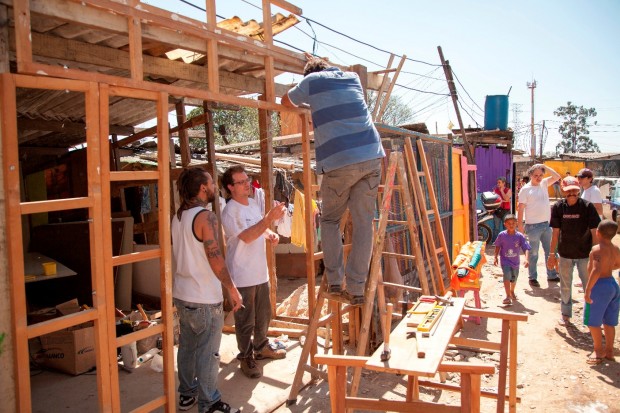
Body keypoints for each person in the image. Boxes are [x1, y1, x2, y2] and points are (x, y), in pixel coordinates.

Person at [282, 55, 385, 305]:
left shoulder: (311, 81)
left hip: (340, 160)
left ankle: (336, 283)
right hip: (372, 155)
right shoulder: (352, 77)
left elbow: (285, 101)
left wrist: (306, 110)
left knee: (329, 221)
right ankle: (357, 289)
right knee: (363, 224)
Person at [171, 167, 242, 413]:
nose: (215, 187)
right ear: (203, 188)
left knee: (188, 347)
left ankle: (187, 394)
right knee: (208, 352)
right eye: (212, 183)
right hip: (203, 297)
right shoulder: (205, 217)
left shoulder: (178, 216)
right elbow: (215, 258)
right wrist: (232, 288)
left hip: (182, 294)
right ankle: (209, 402)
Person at [221, 165, 287, 379]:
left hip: (260, 272)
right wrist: (268, 219)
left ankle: (261, 347)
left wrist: (270, 234)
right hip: (242, 275)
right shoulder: (229, 211)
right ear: (230, 187)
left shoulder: (250, 204)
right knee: (245, 319)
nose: (247, 184)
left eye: (247, 179)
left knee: (264, 315)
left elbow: (258, 227)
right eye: (241, 182)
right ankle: (245, 356)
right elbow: (247, 236)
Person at [548, 176, 601, 325]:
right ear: (564, 192)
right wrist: (552, 254)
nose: (572, 194)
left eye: (574, 191)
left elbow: (594, 231)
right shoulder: (558, 207)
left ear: (578, 191)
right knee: (565, 285)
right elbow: (555, 233)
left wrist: (595, 254)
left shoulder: (587, 207)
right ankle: (566, 315)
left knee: (589, 285)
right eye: (568, 191)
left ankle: (592, 317)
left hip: (585, 254)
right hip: (565, 254)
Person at [517, 164, 561, 287]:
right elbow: (520, 210)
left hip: (547, 225)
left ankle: (552, 275)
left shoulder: (544, 183)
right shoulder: (525, 190)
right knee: (533, 254)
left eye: (541, 175)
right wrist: (520, 229)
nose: (538, 178)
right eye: (536, 175)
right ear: (530, 175)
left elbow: (557, 176)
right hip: (532, 227)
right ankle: (532, 277)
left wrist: (545, 167)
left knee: (550, 251)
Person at [584, 219, 620, 365]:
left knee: (593, 322)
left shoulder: (597, 249)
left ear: (597, 232)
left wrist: (588, 289)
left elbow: (596, 270)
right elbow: (617, 264)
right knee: (609, 321)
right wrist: (609, 266)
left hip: (599, 286)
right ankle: (610, 351)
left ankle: (598, 350)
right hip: (612, 284)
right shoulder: (616, 248)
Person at [493, 214, 531, 305]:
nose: (511, 225)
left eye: (513, 223)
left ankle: (512, 291)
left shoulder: (520, 236)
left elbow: (526, 248)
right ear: (505, 224)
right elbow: (497, 246)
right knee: (507, 276)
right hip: (505, 261)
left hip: (515, 262)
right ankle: (507, 296)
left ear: (516, 224)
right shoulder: (502, 235)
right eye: (509, 223)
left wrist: (526, 259)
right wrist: (495, 257)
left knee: (514, 278)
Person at [492, 176, 512, 241]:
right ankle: (496, 241)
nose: (498, 184)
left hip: (506, 211)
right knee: (496, 228)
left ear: (504, 183)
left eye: (499, 183)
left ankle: (506, 241)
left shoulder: (508, 190)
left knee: (506, 227)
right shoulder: (495, 190)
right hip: (497, 211)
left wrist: (502, 191)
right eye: (497, 183)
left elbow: (506, 199)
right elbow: (493, 200)